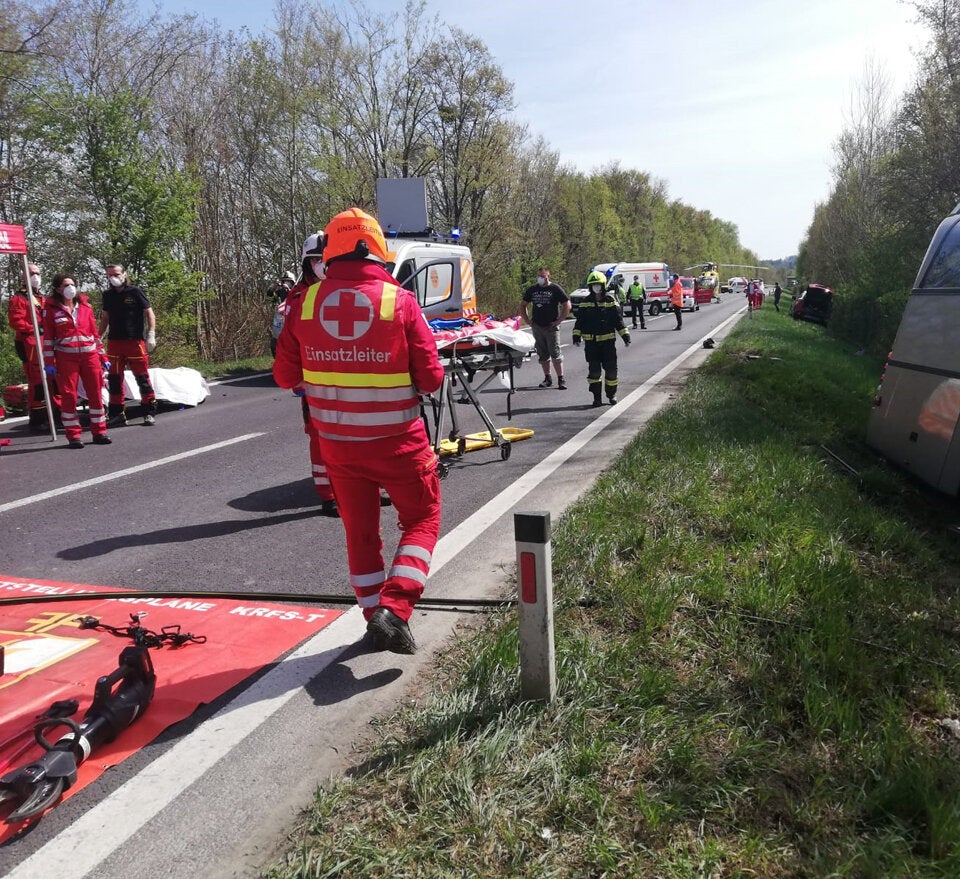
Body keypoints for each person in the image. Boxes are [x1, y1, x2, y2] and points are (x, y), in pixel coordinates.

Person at [273, 207, 445, 655]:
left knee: (360, 533)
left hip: (339, 448)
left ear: (328, 254)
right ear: (379, 252)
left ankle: (374, 618)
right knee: (422, 519)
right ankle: (396, 608)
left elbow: (285, 377)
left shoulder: (304, 304)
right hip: (399, 444)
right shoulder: (399, 302)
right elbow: (430, 380)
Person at [277, 232, 340, 517]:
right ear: (308, 263)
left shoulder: (339, 289)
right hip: (313, 381)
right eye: (318, 260)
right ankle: (329, 496)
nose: (323, 265)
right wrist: (295, 379)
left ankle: (367, 491)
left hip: (347, 376)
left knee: (356, 436)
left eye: (326, 259)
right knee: (321, 438)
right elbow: (289, 344)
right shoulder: (299, 297)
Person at [42, 274, 111, 448]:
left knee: (96, 393)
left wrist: (103, 356)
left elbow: (94, 335)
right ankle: (73, 435)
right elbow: (48, 339)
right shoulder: (51, 310)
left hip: (90, 356)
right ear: (58, 289)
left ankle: (100, 432)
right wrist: (49, 362)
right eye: (66, 285)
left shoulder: (85, 307)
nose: (70, 288)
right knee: (69, 396)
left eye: (72, 284)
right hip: (66, 358)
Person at [99, 264, 157, 427]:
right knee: (115, 379)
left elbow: (149, 312)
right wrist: (98, 338)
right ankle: (118, 413)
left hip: (134, 342)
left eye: (116, 274)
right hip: (114, 343)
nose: (113, 278)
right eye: (110, 275)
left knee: (142, 378)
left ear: (124, 274)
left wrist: (151, 334)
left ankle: (149, 411)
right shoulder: (108, 295)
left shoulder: (135, 292)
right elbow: (105, 318)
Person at [7, 262, 59, 431]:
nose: (35, 277)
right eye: (31, 273)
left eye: (37, 273)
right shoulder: (19, 298)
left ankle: (57, 414)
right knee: (37, 382)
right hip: (30, 344)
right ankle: (38, 419)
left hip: (47, 343)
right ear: (23, 276)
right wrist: (36, 328)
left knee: (54, 380)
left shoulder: (42, 297)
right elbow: (16, 322)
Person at [572, 270, 631, 406]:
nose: (596, 287)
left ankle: (611, 394)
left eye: (598, 284)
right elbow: (579, 322)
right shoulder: (585, 303)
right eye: (593, 285)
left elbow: (619, 322)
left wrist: (625, 336)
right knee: (594, 372)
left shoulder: (611, 302)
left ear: (603, 285)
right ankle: (596, 398)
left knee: (611, 371)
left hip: (608, 344)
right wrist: (576, 335)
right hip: (591, 344)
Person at [520, 267, 570, 389]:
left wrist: (559, 321)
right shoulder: (533, 289)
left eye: (543, 276)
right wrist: (527, 320)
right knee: (542, 353)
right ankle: (547, 378)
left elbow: (567, 304)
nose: (541, 279)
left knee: (555, 352)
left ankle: (561, 379)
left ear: (548, 276)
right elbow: (523, 305)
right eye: (539, 276)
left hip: (551, 326)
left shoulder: (555, 289)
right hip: (537, 326)